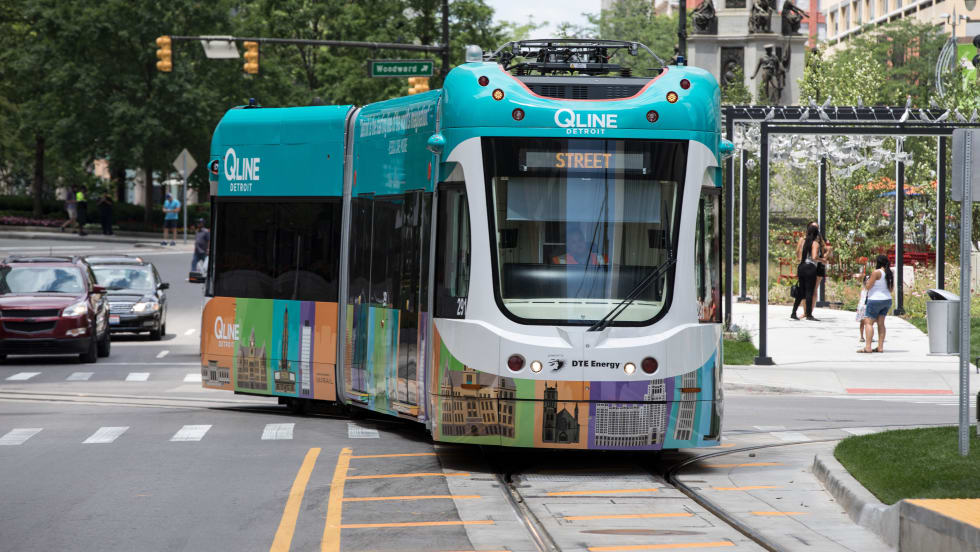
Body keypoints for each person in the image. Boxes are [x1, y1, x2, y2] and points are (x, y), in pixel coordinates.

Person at [790, 224, 826, 320]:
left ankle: (793, 312)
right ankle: (809, 315)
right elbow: (814, 257)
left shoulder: (803, 241)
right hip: (810, 268)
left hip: (801, 267)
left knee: (801, 291)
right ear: (816, 233)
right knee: (809, 291)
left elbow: (798, 252)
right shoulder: (815, 243)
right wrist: (823, 260)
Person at [859, 254, 894, 353]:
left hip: (875, 300)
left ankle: (868, 347)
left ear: (878, 262)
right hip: (887, 300)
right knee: (881, 323)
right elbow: (891, 289)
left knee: (868, 323)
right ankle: (880, 347)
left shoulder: (876, 272)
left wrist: (865, 282)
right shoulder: (889, 273)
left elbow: (868, 287)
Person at [796, 222, 832, 304]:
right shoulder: (803, 239)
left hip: (818, 266)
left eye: (817, 227)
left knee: (814, 289)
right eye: (813, 227)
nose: (816, 229)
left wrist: (827, 253)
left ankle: (810, 310)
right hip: (807, 266)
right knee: (805, 289)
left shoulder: (820, 240)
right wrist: (801, 261)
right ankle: (806, 310)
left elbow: (823, 255)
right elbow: (798, 252)